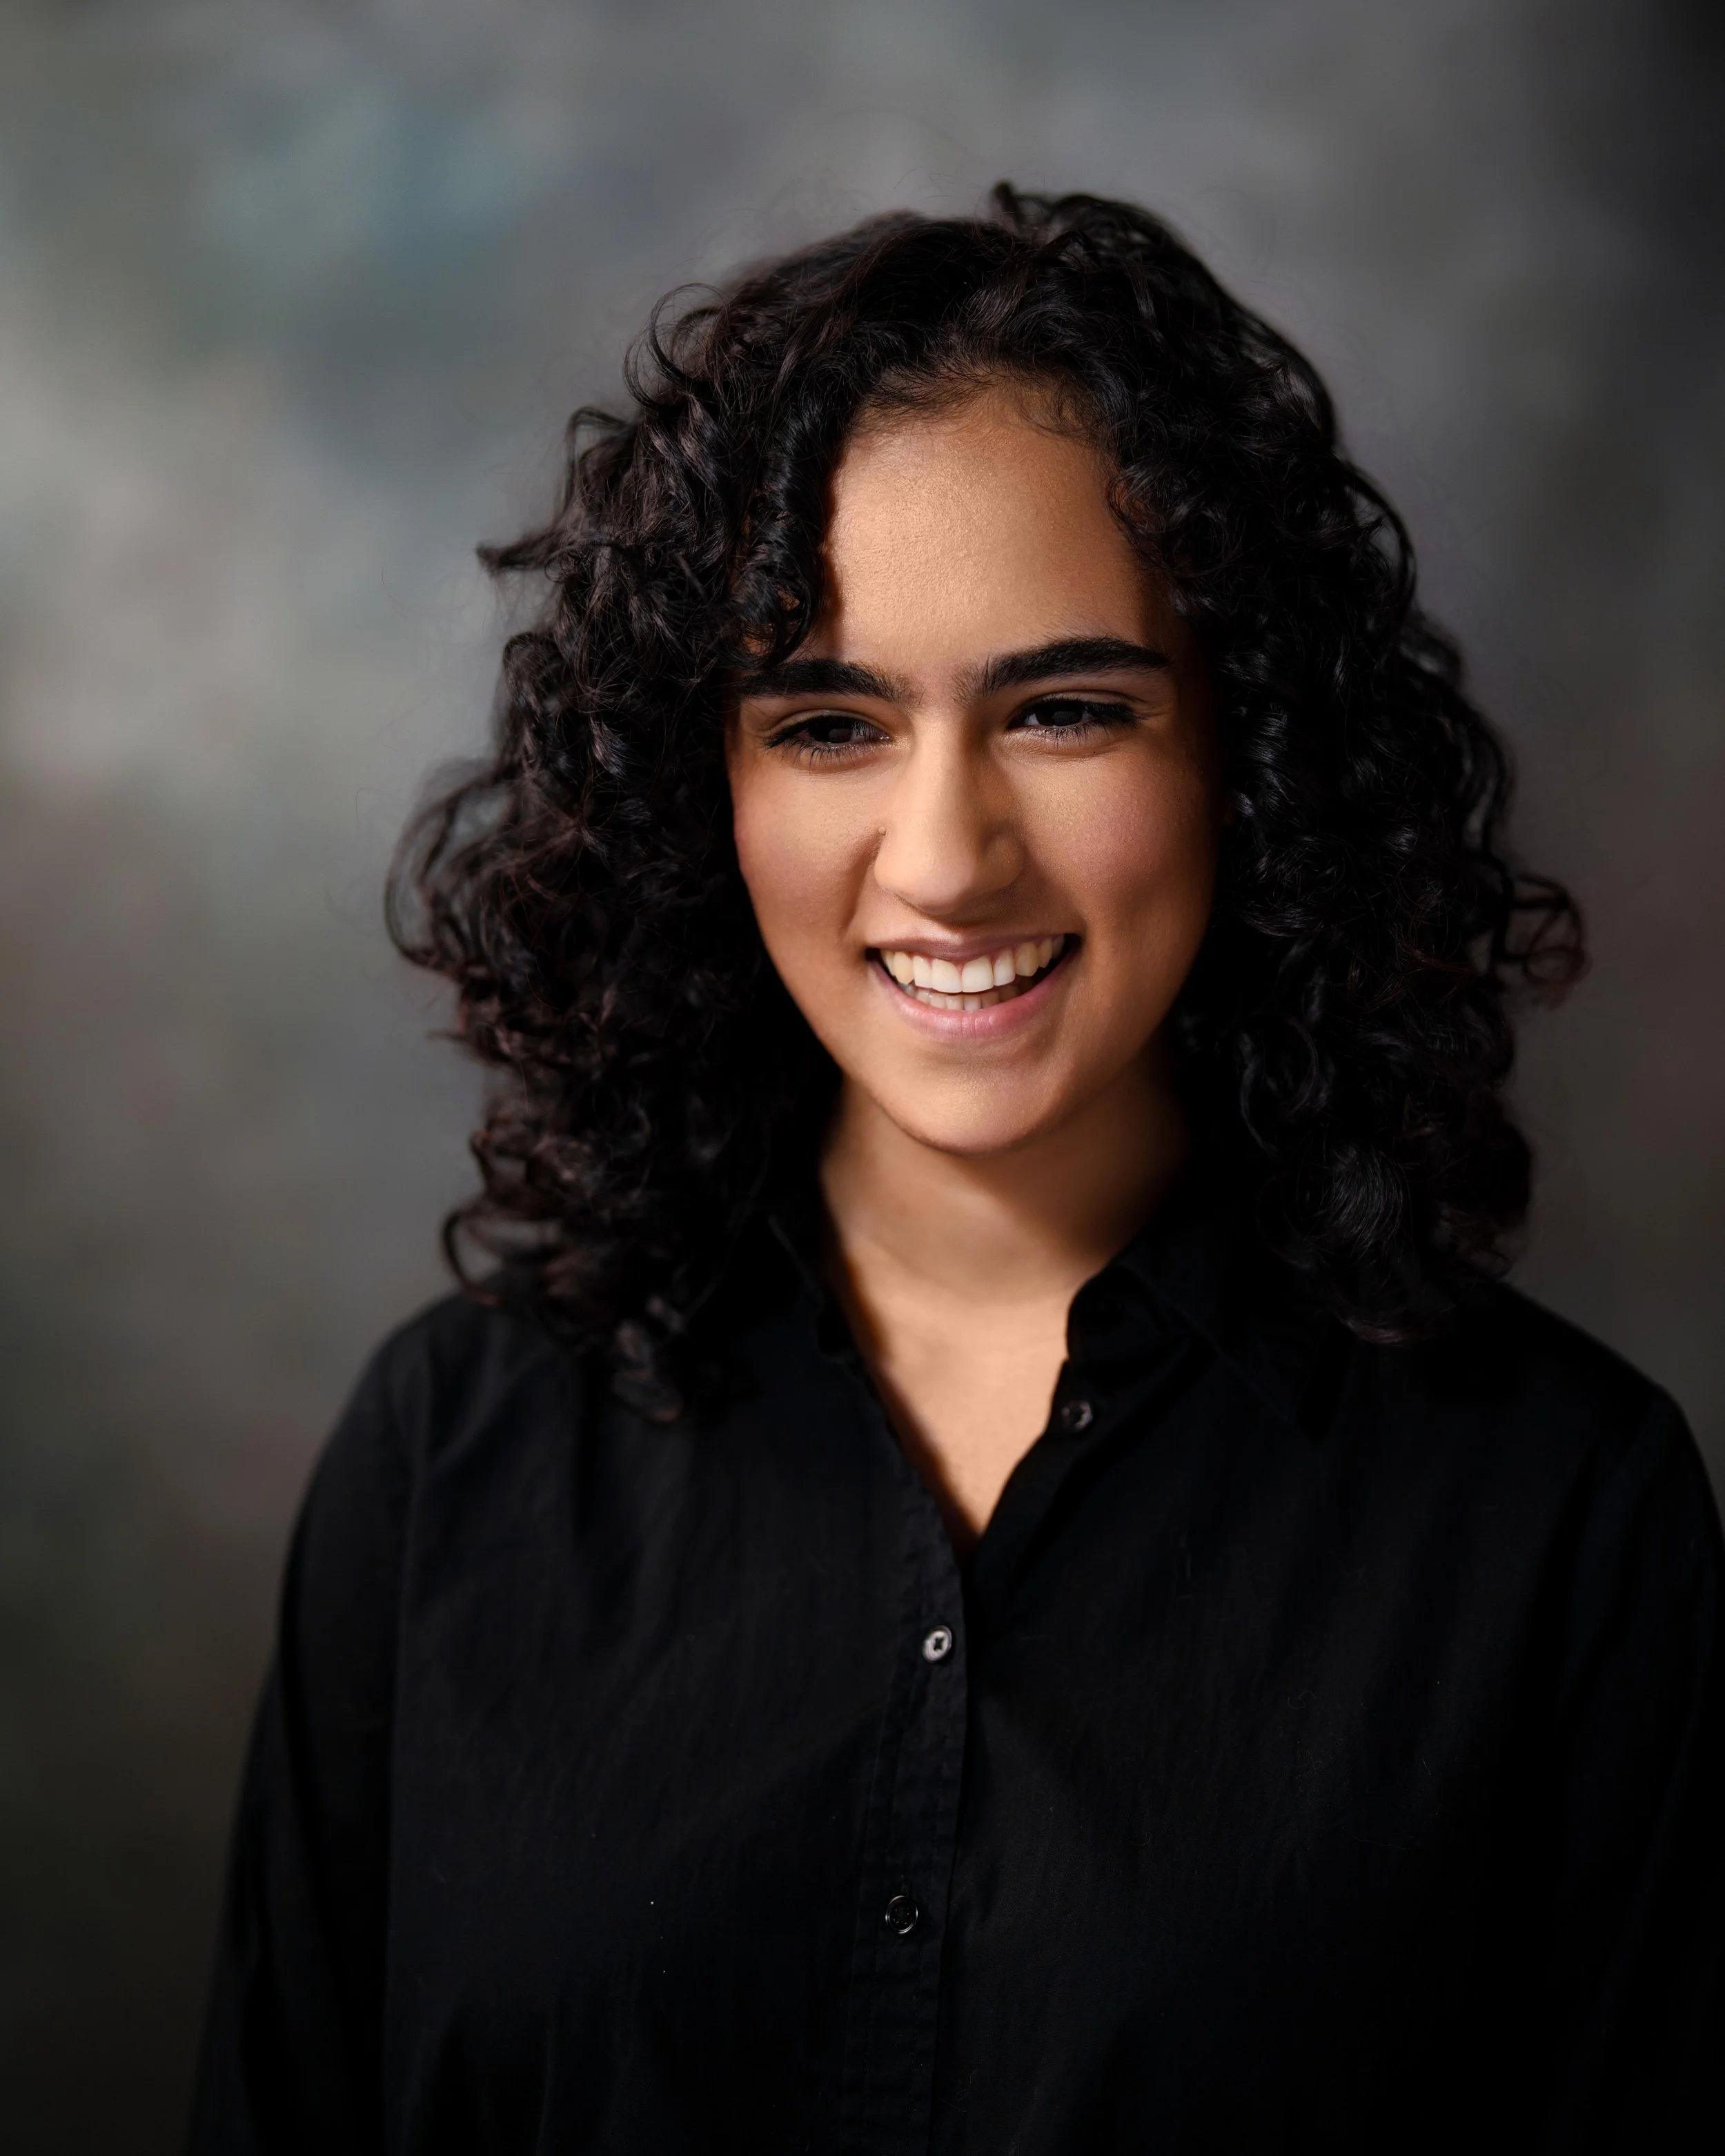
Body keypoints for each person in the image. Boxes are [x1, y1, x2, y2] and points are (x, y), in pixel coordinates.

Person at [188, 187, 1723, 2153]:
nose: (943, 856)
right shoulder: (446, 1460)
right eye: (826, 722)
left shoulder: (1563, 1520)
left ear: (1245, 757)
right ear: (701, 791)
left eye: (1066, 708)